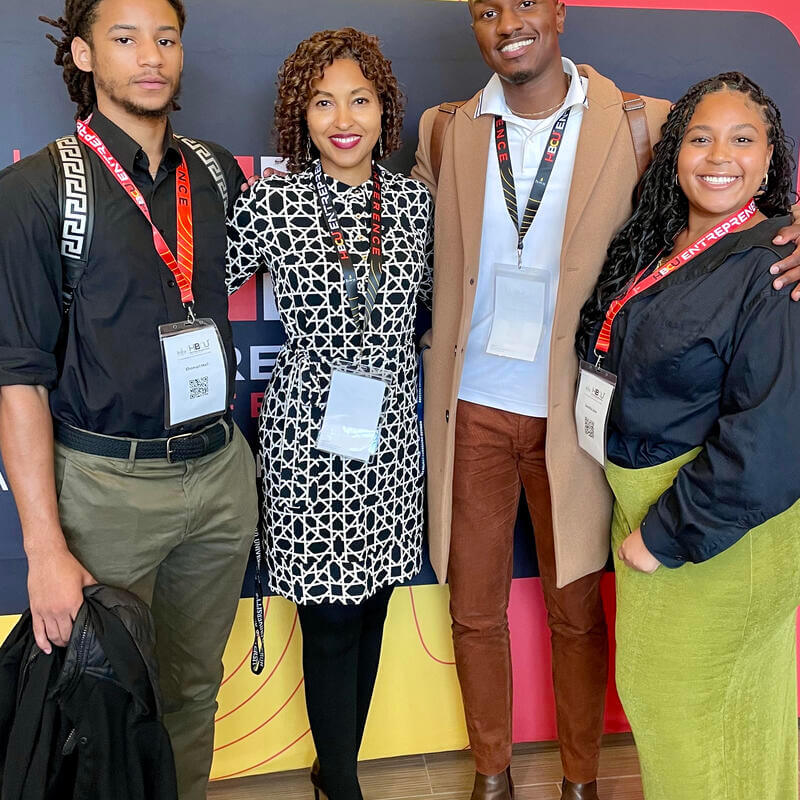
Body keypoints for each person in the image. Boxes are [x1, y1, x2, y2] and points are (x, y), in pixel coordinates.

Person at [410, 1, 800, 798]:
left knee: (578, 610)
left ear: (558, 11)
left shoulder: (644, 120)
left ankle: (582, 782)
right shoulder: (445, 128)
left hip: (576, 418)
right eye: (486, 8)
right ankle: (492, 776)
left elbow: (735, 182)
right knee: (474, 609)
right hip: (474, 407)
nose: (507, 21)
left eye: (524, 2)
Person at [0, 1, 259, 798]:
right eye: (124, 38)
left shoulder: (215, 173)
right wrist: (44, 547)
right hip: (105, 489)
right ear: (81, 54)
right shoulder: (36, 190)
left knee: (190, 690)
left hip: (218, 476)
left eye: (166, 38)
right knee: (97, 702)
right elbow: (17, 378)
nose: (150, 56)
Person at [576, 71, 800, 800]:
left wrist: (667, 535)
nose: (719, 156)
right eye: (700, 137)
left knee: (679, 705)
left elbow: (771, 436)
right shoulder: (663, 243)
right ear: (675, 153)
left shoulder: (776, 266)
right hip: (657, 508)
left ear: (770, 159)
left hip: (717, 532)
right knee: (727, 710)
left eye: (743, 139)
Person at [226, 28, 433, 800]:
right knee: (329, 616)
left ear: (385, 111)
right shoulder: (275, 199)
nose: (342, 117)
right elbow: (198, 280)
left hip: (390, 441)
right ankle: (341, 783)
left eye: (359, 99)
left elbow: (441, 306)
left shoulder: (414, 204)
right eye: (322, 101)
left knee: (374, 601)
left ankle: (331, 767)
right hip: (307, 436)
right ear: (300, 115)